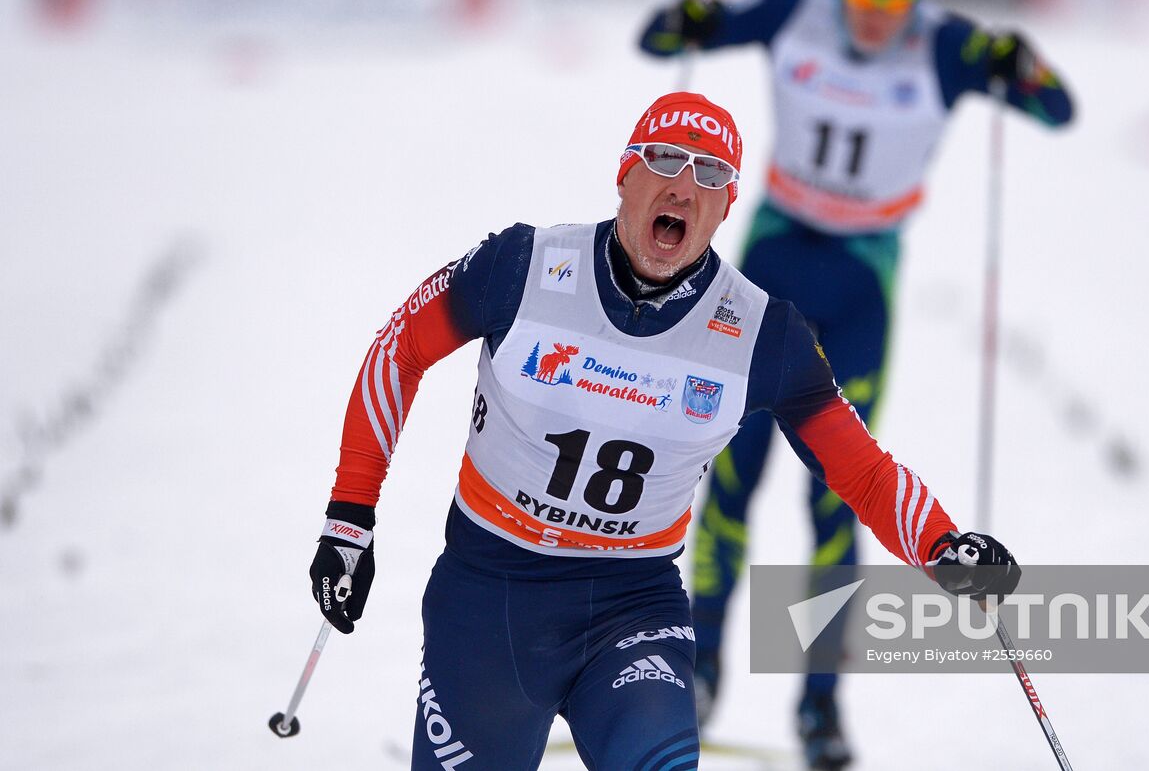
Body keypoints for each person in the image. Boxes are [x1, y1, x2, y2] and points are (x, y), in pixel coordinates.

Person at [307, 90, 1021, 771]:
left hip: (632, 604)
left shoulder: (762, 332)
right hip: (492, 589)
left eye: (710, 172)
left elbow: (861, 470)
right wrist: (350, 517)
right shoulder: (523, 266)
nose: (684, 185)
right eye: (665, 160)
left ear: (726, 206)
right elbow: (399, 348)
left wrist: (942, 544)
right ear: (625, 175)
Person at [636, 0, 1073, 765]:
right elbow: (665, 40)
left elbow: (1053, 107)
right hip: (769, 265)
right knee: (730, 473)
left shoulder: (946, 45)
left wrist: (1025, 65)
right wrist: (683, 18)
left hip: (861, 286)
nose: (878, 13)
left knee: (836, 498)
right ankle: (699, 668)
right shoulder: (798, 9)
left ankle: (821, 707)